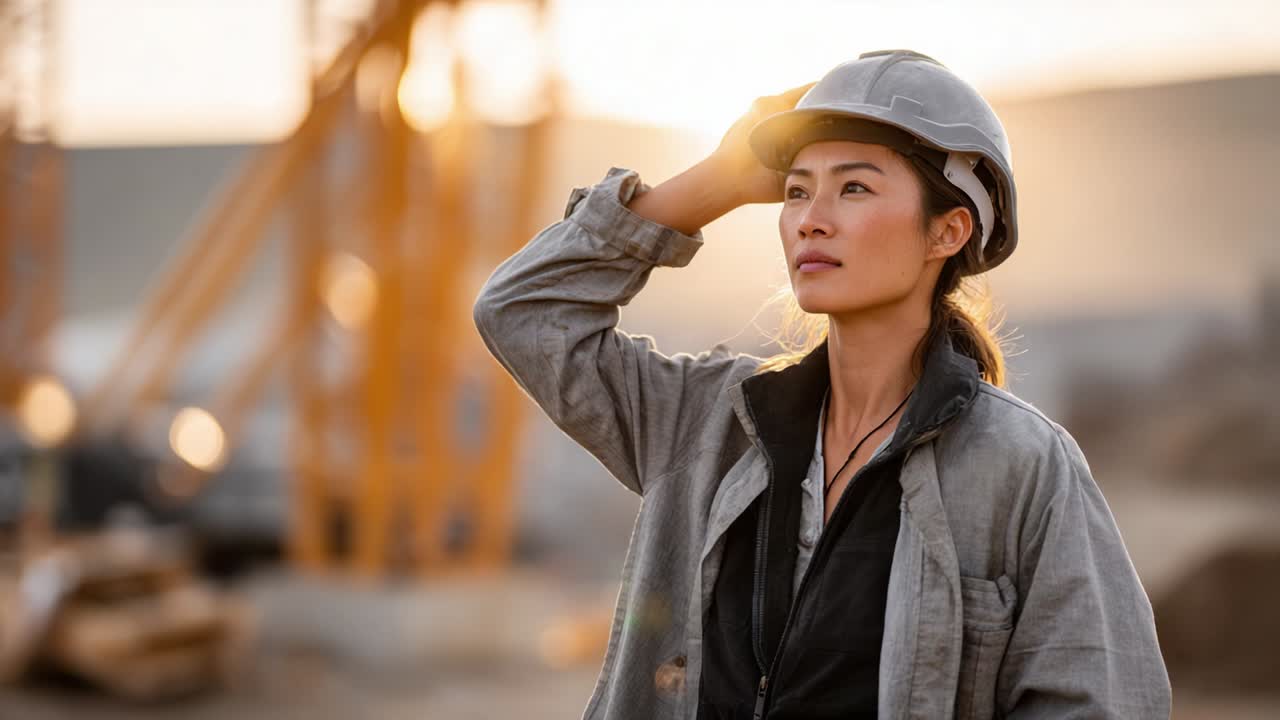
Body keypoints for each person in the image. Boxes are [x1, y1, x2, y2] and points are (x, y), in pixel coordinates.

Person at [473, 50, 1171, 719]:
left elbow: (1099, 701)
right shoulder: (707, 421)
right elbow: (525, 314)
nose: (810, 217)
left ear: (948, 230)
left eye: (855, 187)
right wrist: (719, 180)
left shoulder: (1021, 465)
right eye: (797, 190)